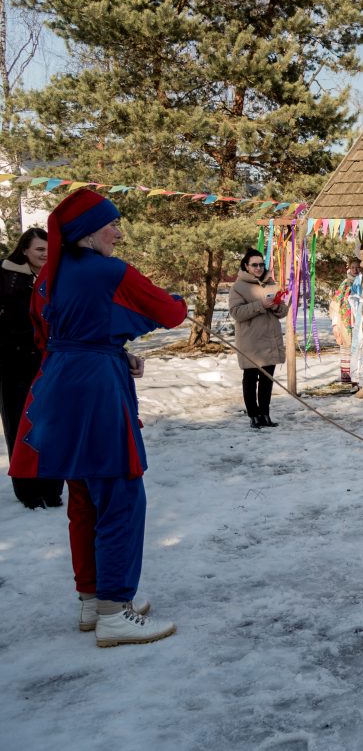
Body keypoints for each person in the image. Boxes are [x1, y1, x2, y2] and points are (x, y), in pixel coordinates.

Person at [9, 188, 188, 646]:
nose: (119, 231)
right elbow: (168, 311)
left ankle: (92, 600)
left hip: (60, 382)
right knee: (121, 493)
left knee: (84, 495)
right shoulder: (109, 271)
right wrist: (177, 302)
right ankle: (115, 610)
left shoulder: (47, 276)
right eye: (112, 224)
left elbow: (49, 333)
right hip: (96, 391)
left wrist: (113, 349)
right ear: (89, 233)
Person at [0, 227, 64, 508]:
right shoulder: (6, 280)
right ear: (24, 249)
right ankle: (28, 492)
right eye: (39, 250)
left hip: (49, 365)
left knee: (53, 426)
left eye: (49, 250)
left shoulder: (56, 276)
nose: (45, 255)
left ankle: (52, 489)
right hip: (14, 366)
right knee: (20, 427)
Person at [229, 248, 288, 429]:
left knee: (267, 380)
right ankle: (253, 416)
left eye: (261, 264)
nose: (258, 268)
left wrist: (276, 306)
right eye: (254, 265)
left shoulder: (271, 283)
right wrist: (260, 305)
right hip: (251, 341)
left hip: (270, 339)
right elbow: (236, 313)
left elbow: (283, 311)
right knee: (250, 378)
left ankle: (265, 414)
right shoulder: (238, 287)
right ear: (246, 266)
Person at [329, 257, 361, 392]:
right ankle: (350, 379)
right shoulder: (344, 284)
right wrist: (335, 324)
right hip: (346, 322)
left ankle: (359, 378)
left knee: (359, 349)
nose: (355, 270)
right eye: (353, 267)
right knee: (348, 349)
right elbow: (336, 304)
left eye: (357, 267)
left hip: (359, 320)